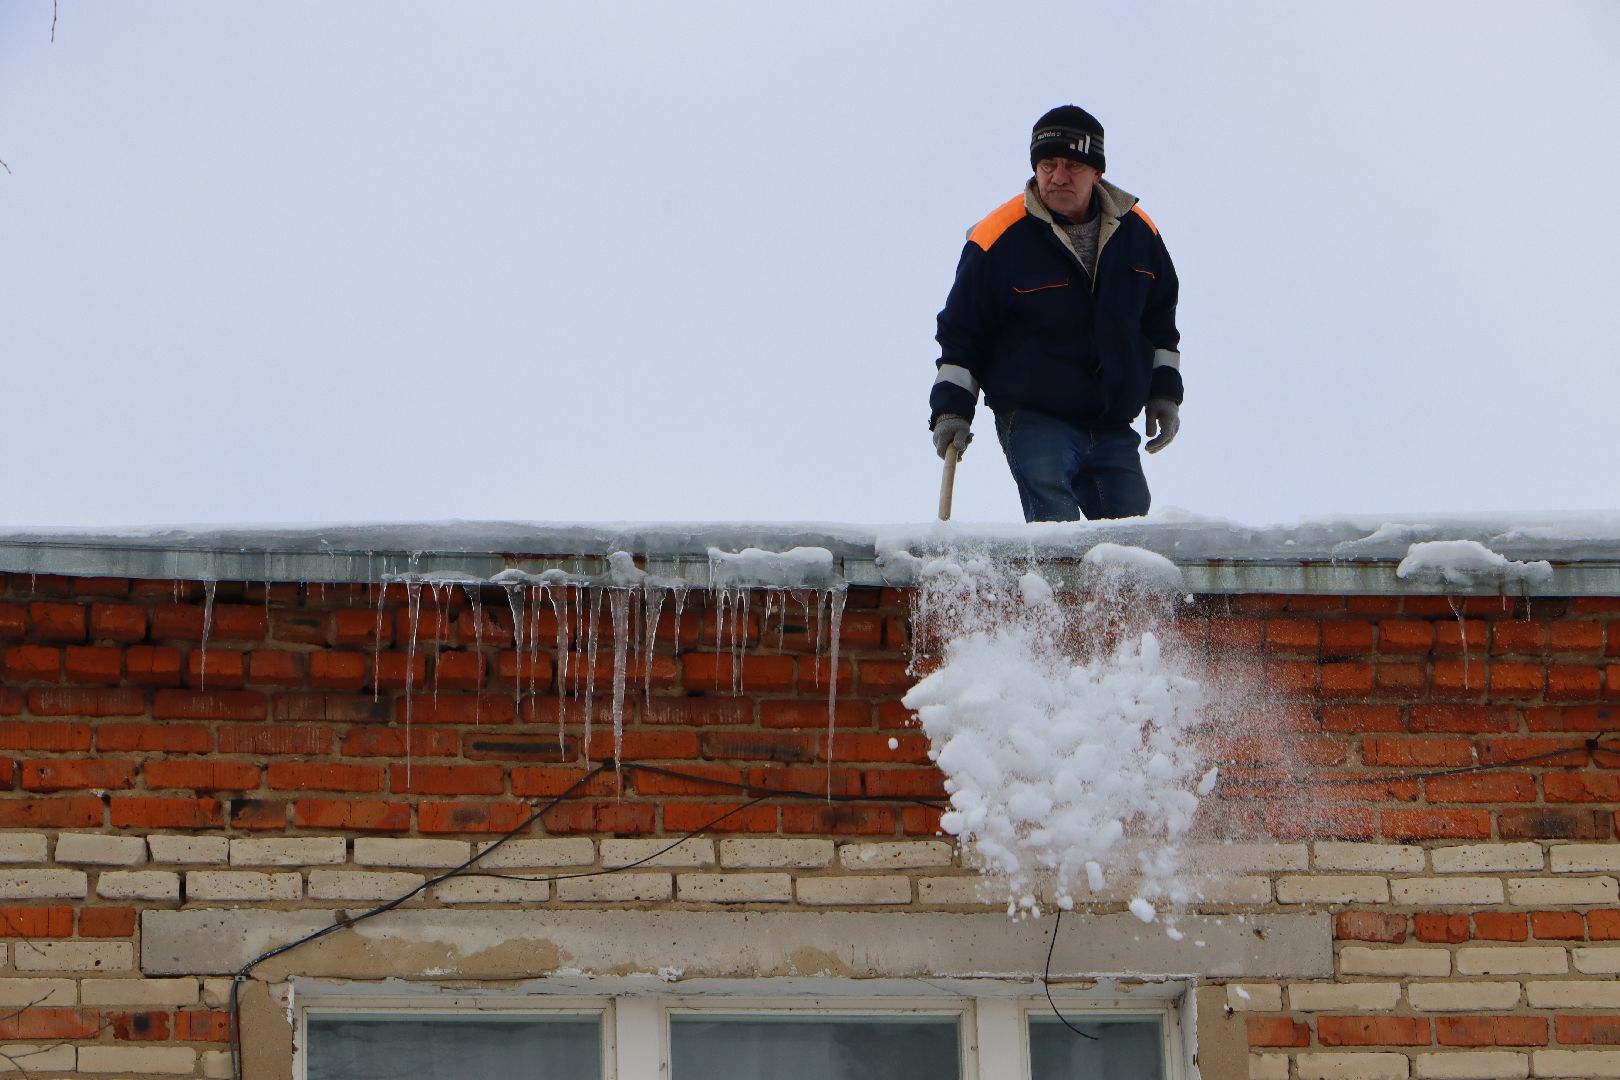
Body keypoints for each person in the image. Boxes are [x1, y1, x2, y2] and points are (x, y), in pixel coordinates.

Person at [928, 105, 1183, 522]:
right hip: (1034, 414)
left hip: (1111, 418)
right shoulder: (997, 238)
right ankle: (1051, 590)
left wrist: (1165, 393)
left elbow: (1160, 322)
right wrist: (951, 411)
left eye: (1073, 166)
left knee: (1132, 542)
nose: (1058, 176)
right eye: (1048, 164)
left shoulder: (1139, 233)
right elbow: (962, 333)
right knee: (1054, 532)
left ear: (1097, 173)